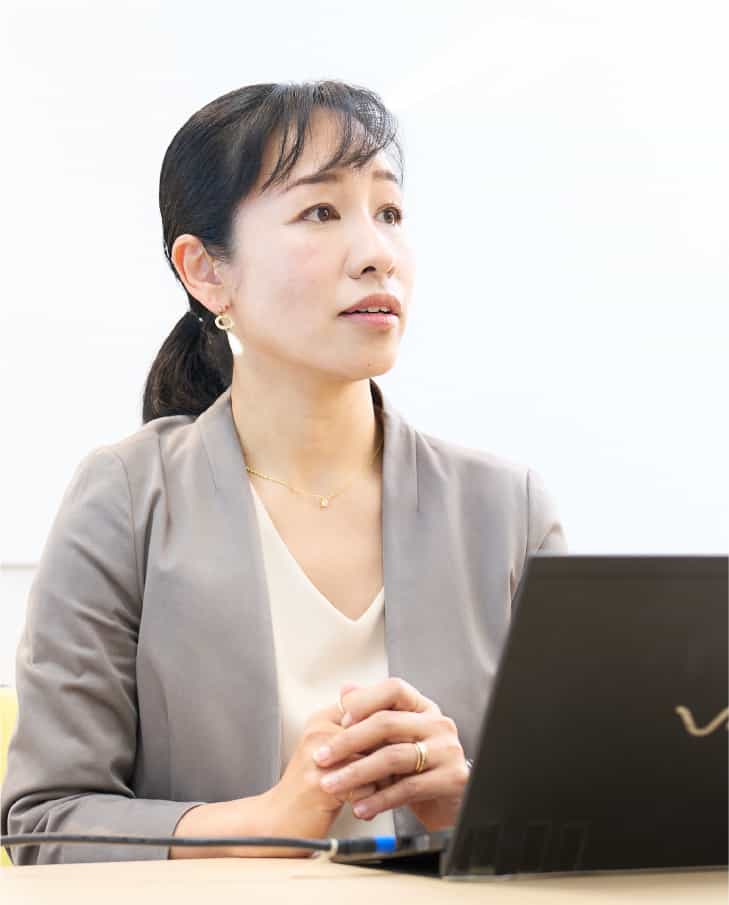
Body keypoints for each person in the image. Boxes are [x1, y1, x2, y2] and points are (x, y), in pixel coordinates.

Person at [1, 80, 567, 866]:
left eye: (389, 212)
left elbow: (587, 806)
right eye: (321, 212)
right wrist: (268, 819)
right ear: (207, 271)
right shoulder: (125, 498)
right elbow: (45, 822)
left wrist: (466, 805)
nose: (376, 253)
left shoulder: (507, 508)